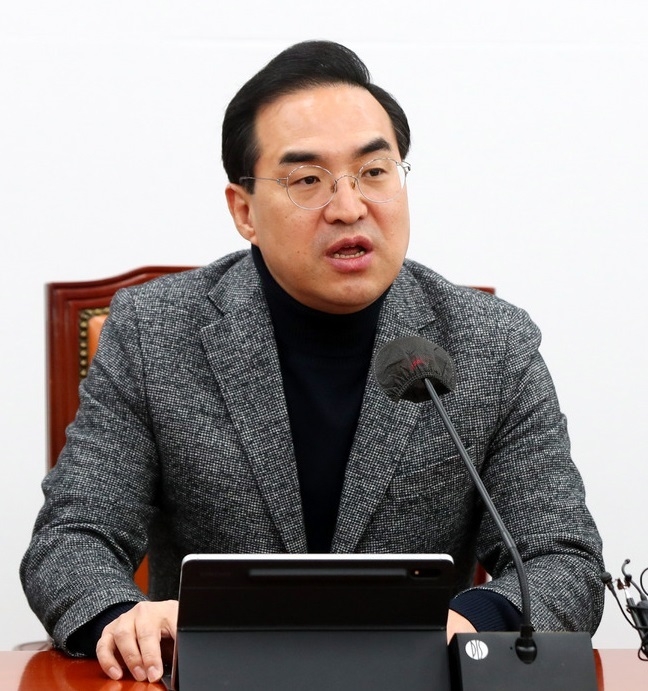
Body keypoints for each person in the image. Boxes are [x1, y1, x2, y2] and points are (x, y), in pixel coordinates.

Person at [21, 40, 604, 683]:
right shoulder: (153, 332)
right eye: (307, 181)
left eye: (374, 172)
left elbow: (561, 557)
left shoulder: (491, 343)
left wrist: (478, 620)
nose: (349, 207)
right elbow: (72, 538)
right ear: (243, 210)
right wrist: (122, 619)